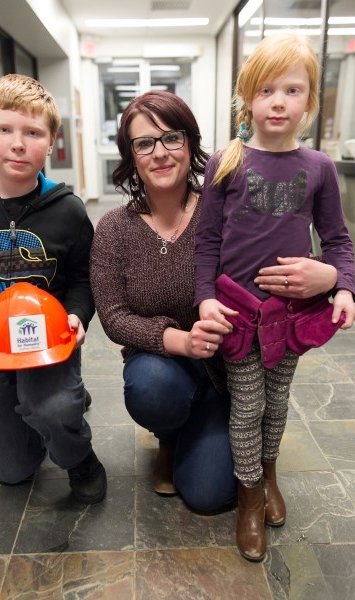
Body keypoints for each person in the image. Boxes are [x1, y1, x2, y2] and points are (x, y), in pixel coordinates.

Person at [89, 89, 340, 518]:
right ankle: (169, 436)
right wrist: (182, 341)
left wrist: (329, 276)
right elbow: (113, 317)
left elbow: (279, 251)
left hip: (234, 364)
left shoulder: (225, 205)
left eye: (172, 138)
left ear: (190, 143)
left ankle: (205, 432)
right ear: (130, 156)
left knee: (208, 495)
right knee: (151, 388)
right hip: (166, 363)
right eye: (144, 143)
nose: (160, 153)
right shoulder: (114, 228)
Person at [194, 33, 355, 561]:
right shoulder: (226, 162)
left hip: (291, 315)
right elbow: (208, 243)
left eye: (293, 89)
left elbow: (337, 240)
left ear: (309, 100)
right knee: (248, 405)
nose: (279, 101)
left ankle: (268, 476)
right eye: (267, 90)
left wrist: (342, 282)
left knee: (278, 402)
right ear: (248, 98)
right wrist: (203, 299)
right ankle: (247, 499)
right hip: (238, 312)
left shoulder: (321, 168)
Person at [0, 74, 106, 504]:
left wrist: (77, 313)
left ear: (52, 140)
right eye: (4, 129)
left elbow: (81, 278)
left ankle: (77, 453)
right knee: (12, 470)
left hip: (47, 347)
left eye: (33, 132)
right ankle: (52, 411)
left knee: (51, 408)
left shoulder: (69, 210)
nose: (18, 144)